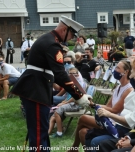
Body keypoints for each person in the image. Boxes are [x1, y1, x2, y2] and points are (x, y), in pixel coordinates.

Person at [11, 16, 92, 151]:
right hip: (36, 90)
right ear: (65, 29)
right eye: (72, 34)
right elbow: (60, 74)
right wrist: (79, 96)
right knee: (38, 135)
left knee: (40, 131)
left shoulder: (49, 40)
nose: (72, 38)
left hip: (37, 89)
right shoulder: (52, 44)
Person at [68, 60, 133, 152]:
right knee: (82, 132)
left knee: (83, 118)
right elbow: (108, 106)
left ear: (125, 72)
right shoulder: (118, 86)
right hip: (108, 118)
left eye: (118, 68)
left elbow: (115, 110)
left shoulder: (128, 89)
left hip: (115, 122)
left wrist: (93, 105)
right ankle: (78, 149)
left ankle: (74, 148)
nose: (115, 70)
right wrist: (92, 103)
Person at [49, 67, 86, 138]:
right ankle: (48, 132)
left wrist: (64, 103)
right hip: (69, 103)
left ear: (78, 74)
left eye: (74, 73)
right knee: (53, 118)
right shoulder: (70, 83)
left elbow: (75, 97)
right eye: (70, 73)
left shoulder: (79, 84)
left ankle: (59, 133)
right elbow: (63, 93)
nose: (72, 75)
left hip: (76, 104)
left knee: (56, 112)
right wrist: (64, 101)